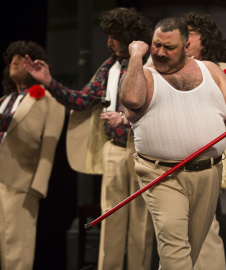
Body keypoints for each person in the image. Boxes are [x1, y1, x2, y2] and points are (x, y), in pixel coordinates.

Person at [23, 7, 154, 270]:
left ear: (128, 36)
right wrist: (49, 81)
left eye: (114, 36)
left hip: (145, 152)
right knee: (111, 221)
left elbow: (157, 105)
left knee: (141, 224)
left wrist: (125, 117)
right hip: (115, 151)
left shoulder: (151, 65)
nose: (109, 42)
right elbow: (82, 100)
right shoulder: (109, 67)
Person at [119, 17, 226, 269]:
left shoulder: (210, 70)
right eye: (156, 44)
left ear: (186, 47)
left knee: (189, 253)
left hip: (208, 173)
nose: (159, 52)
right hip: (161, 173)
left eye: (169, 47)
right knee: (174, 246)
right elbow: (131, 100)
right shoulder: (145, 74)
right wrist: (136, 56)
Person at [182, 11, 226, 270]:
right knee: (182, 236)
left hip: (207, 161)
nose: (185, 41)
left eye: (190, 34)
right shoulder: (172, 71)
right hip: (174, 163)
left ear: (206, 39)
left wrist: (222, 168)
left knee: (206, 230)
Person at [0, 40, 65, 270]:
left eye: (22, 58)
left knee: (17, 246)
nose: (16, 61)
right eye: (13, 58)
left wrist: (38, 185)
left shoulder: (48, 100)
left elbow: (50, 144)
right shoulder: (4, 100)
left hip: (21, 180)